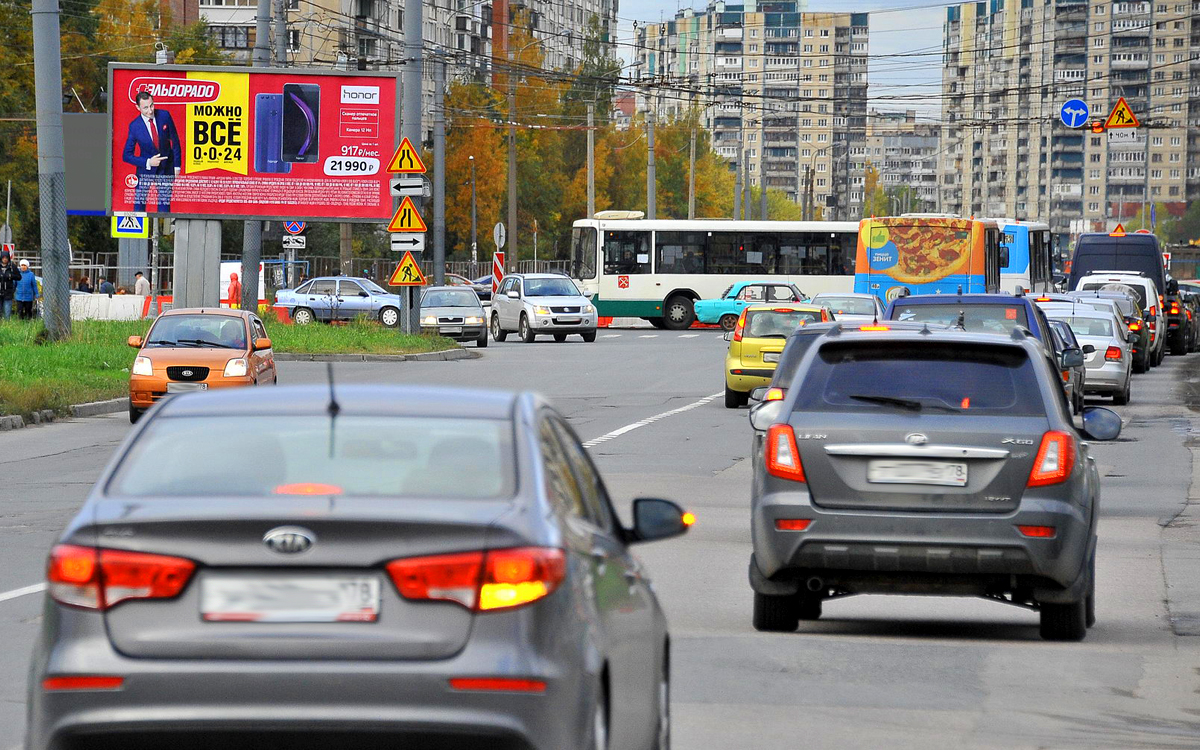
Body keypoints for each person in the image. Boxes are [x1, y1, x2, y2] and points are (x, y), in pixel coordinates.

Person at [121, 92, 182, 213]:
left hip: (166, 168)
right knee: (139, 207)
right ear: (138, 107)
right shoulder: (134, 126)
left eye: (152, 105)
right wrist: (148, 162)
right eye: (145, 108)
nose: (150, 111)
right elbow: (126, 156)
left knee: (164, 206)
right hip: (145, 170)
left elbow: (175, 141)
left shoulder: (164, 116)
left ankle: (164, 226)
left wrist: (177, 166)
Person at [0, 250, 20, 319]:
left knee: (7, 313)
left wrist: (11, 276)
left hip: (8, 293)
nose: (5, 259)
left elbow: (19, 277)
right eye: (3, 257)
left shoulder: (12, 266)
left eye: (6, 257)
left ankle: (6, 324)